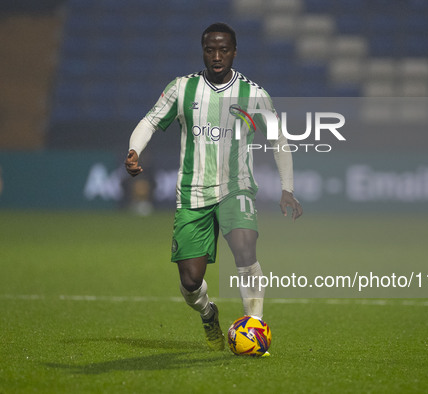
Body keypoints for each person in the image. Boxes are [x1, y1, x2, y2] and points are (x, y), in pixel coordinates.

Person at [125, 22, 302, 353]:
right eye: (211, 49)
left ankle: (255, 329)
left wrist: (286, 188)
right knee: (191, 282)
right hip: (193, 194)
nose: (217, 56)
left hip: (236, 189)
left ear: (235, 52)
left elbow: (279, 140)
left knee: (246, 251)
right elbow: (150, 121)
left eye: (224, 49)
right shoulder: (182, 89)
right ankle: (208, 313)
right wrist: (134, 150)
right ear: (203, 51)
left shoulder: (254, 95)